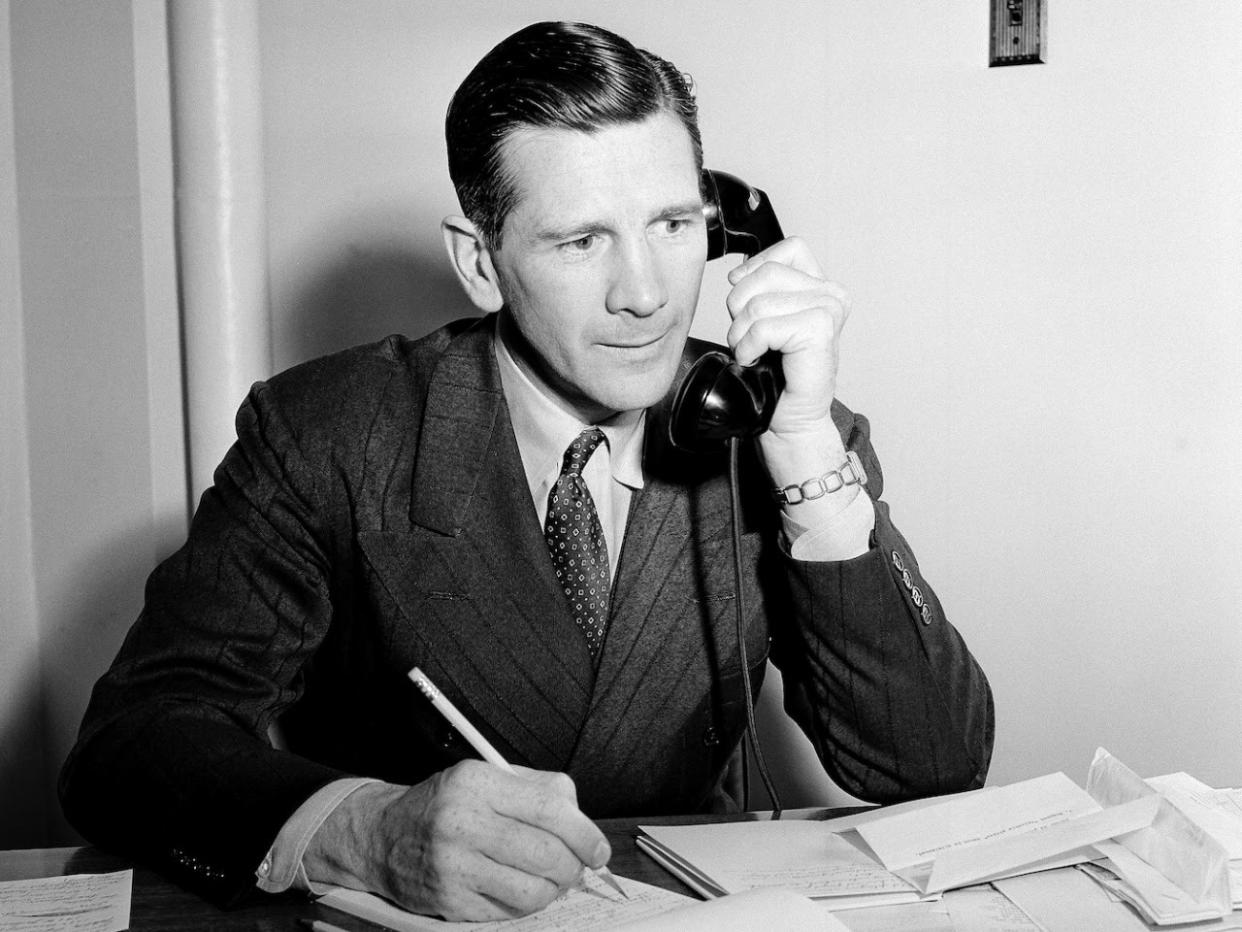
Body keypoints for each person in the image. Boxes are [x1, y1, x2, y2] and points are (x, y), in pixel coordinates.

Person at [59, 20, 993, 922]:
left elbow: (936, 766)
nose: (645, 294)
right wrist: (363, 828)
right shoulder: (329, 432)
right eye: (580, 241)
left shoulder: (781, 428)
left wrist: (803, 462)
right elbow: (129, 749)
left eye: (672, 224)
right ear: (479, 263)